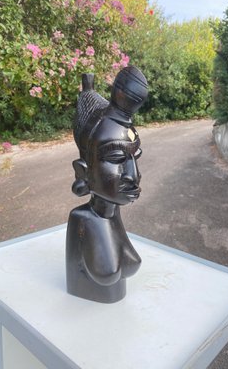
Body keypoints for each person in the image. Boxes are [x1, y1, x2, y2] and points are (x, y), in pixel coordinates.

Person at [66, 66, 148, 303]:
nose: (134, 175)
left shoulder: (113, 213)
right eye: (116, 158)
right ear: (83, 171)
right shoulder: (84, 221)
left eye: (135, 157)